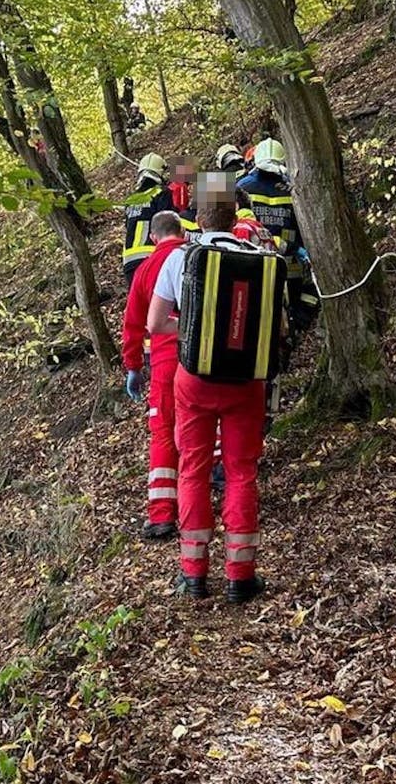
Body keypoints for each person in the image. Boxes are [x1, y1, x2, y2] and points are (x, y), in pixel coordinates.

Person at [146, 195, 272, 604]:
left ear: (196, 219)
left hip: (194, 381)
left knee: (194, 471)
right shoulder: (259, 256)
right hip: (245, 381)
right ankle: (240, 576)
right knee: (240, 472)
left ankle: (193, 574)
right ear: (234, 217)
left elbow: (155, 323)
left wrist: (194, 335)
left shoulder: (180, 258)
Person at [120, 210, 187, 541]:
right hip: (202, 358)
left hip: (164, 361)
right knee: (203, 429)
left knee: (164, 433)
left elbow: (133, 324)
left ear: (152, 237)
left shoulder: (145, 269)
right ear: (182, 231)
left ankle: (162, 516)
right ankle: (205, 499)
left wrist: (133, 366)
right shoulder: (196, 258)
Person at [237, 138, 319, 330]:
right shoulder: (293, 189)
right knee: (287, 316)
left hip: (253, 263)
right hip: (290, 263)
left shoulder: (239, 186)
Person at [122, 154, 173, 285]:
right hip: (151, 258)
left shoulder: (131, 200)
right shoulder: (161, 193)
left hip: (129, 262)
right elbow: (168, 225)